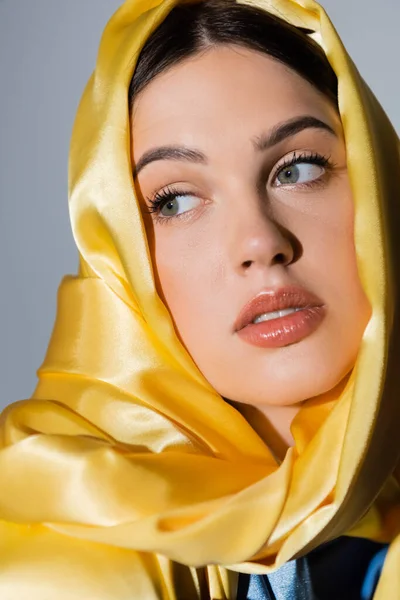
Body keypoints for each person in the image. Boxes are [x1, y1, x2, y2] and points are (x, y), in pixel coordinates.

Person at [0, 0, 399, 598]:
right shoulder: (61, 563)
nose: (261, 243)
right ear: (121, 259)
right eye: (176, 201)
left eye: (298, 169)